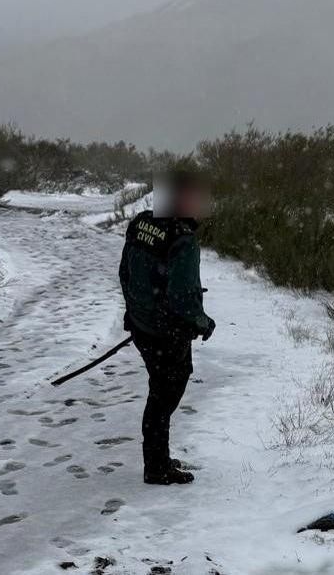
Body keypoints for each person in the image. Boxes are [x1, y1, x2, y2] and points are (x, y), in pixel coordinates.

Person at [118, 169, 216, 485]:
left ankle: (158, 458)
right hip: (165, 333)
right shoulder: (182, 240)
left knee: (160, 391)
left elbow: (126, 273)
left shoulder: (140, 224)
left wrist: (136, 313)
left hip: (143, 327)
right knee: (164, 395)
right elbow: (183, 296)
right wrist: (202, 322)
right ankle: (157, 467)